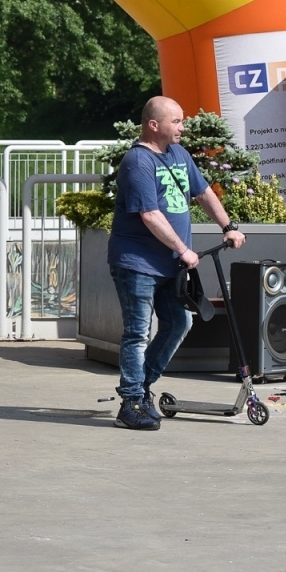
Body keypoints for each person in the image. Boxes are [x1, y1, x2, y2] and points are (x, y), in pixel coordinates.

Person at [107, 96, 245, 431]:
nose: (183, 128)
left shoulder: (179, 154)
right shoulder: (137, 162)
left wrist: (227, 226)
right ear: (154, 125)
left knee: (179, 324)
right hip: (137, 263)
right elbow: (150, 215)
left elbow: (204, 193)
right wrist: (184, 249)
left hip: (171, 264)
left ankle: (142, 388)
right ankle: (130, 403)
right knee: (138, 332)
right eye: (177, 121)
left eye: (182, 121)